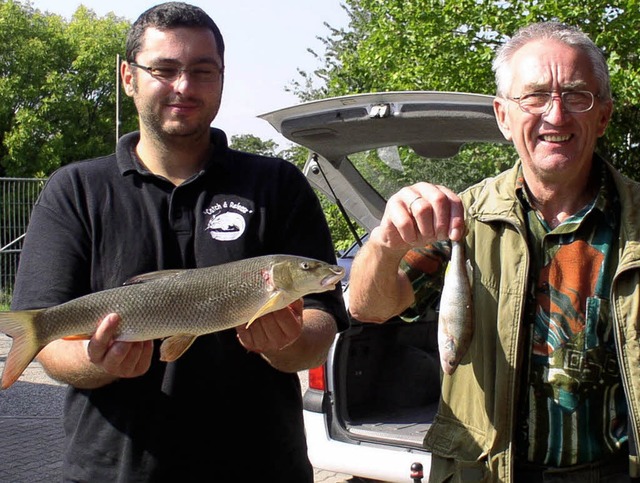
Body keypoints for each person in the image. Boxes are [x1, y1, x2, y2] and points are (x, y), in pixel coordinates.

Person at [11, 3, 347, 482]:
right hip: (112, 472)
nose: (184, 87)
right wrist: (94, 359)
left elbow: (321, 321)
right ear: (128, 76)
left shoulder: (278, 183)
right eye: (164, 70)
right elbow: (50, 342)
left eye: (202, 71)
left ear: (222, 78)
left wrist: (287, 342)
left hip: (261, 467)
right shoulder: (75, 190)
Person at [348, 21, 640, 482]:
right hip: (486, 472)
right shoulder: (462, 218)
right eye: (535, 96)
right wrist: (385, 245)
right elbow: (370, 308)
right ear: (503, 116)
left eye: (576, 96)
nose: (556, 115)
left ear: (602, 116)